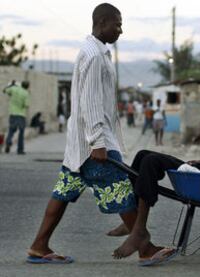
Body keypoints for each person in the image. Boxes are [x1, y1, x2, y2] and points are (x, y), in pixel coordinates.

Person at [27, 3, 141, 264]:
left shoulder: (99, 53)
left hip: (82, 145)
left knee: (63, 192)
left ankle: (39, 245)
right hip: (93, 144)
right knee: (120, 189)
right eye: (117, 24)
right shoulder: (92, 54)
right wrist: (98, 142)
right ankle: (145, 246)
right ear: (101, 23)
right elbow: (89, 103)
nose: (120, 30)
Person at [3, 80, 30, 155]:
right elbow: (26, 105)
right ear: (27, 86)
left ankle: (8, 143)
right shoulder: (26, 93)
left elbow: (4, 90)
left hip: (13, 113)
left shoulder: (14, 89)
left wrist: (11, 85)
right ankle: (20, 149)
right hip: (21, 115)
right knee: (21, 132)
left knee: (11, 130)